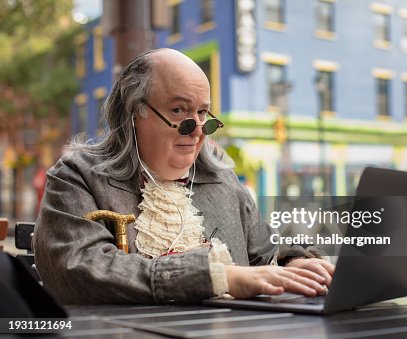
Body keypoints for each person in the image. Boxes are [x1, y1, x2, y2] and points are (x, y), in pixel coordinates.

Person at [33, 48, 334, 304]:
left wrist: (296, 263)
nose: (199, 129)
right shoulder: (78, 177)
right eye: (179, 110)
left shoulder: (223, 181)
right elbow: (78, 269)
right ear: (135, 112)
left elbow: (263, 254)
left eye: (203, 113)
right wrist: (217, 277)